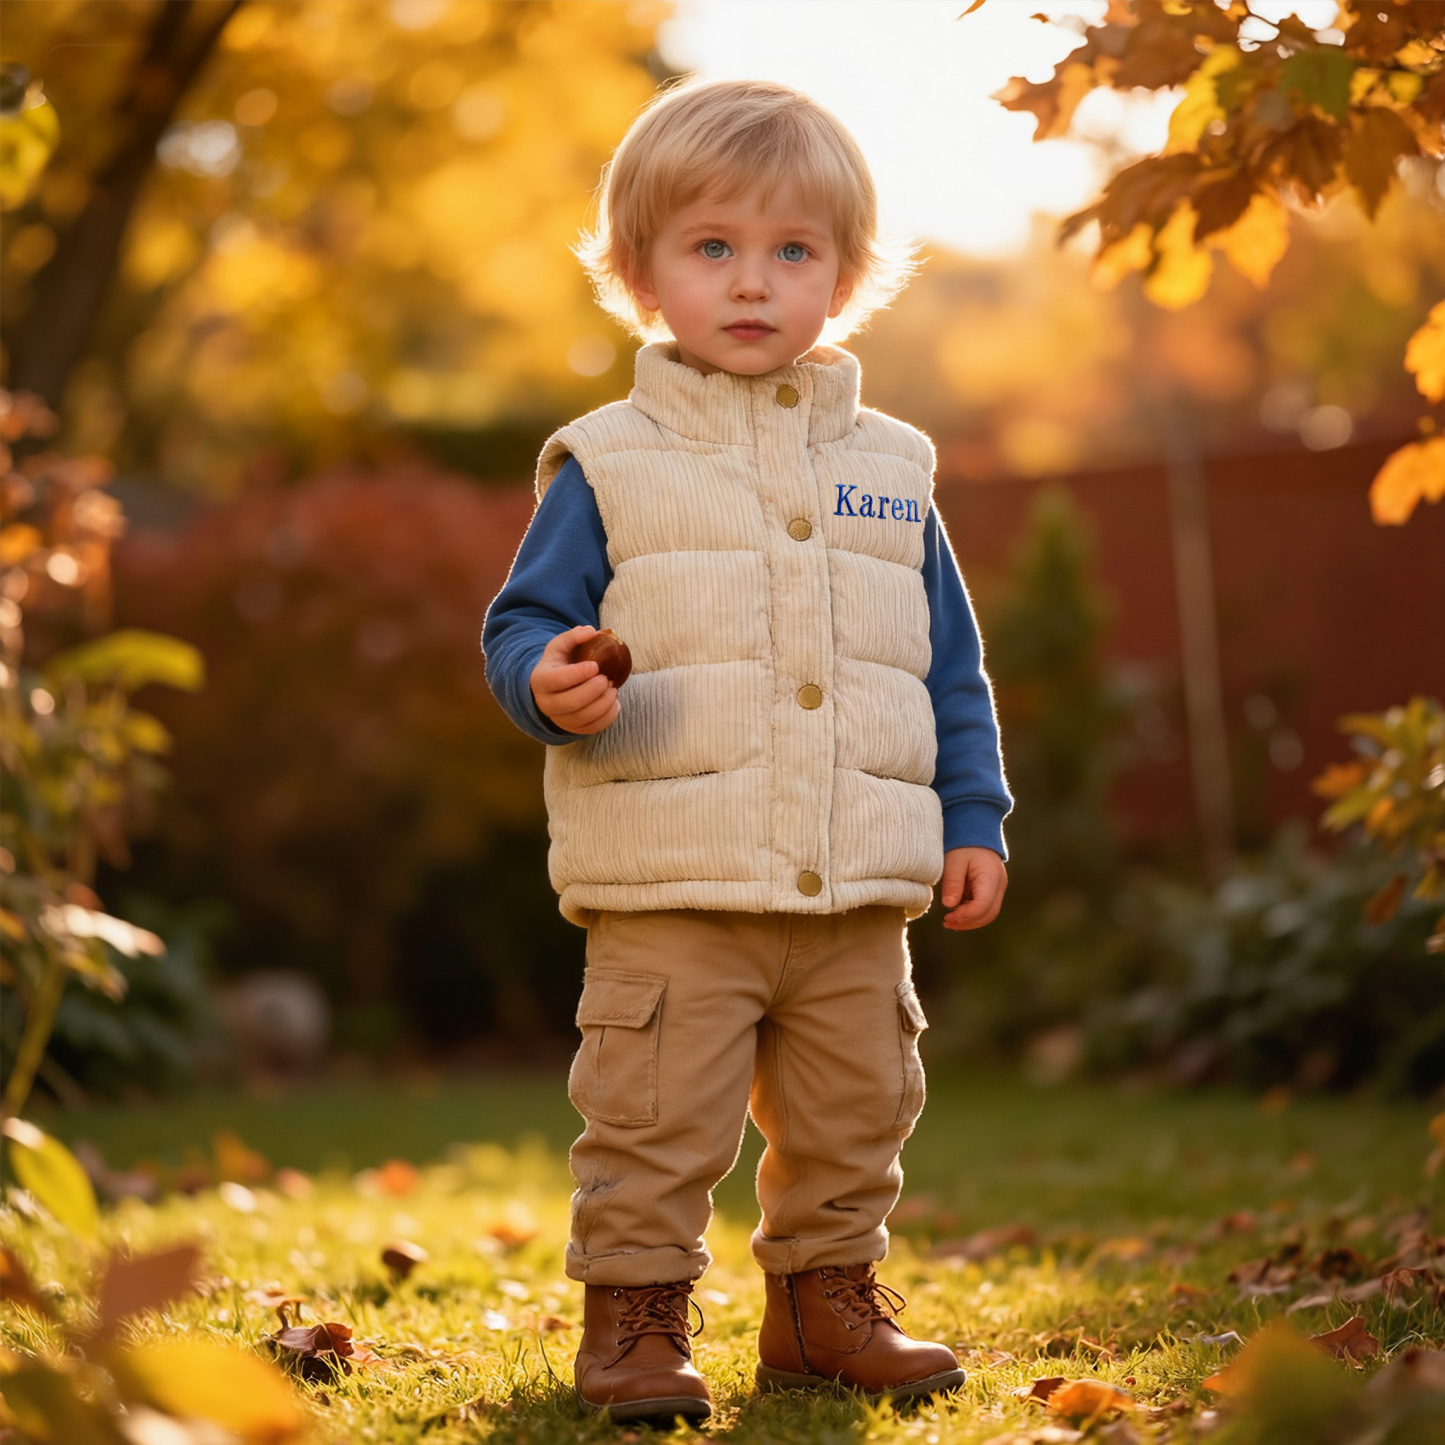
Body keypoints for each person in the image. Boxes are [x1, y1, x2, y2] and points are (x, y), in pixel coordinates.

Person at [483, 78, 1011, 1425]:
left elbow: (945, 665)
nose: (753, 281)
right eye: (711, 246)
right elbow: (524, 623)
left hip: (854, 888)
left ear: (845, 274)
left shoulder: (893, 470)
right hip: (672, 883)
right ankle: (635, 1320)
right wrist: (548, 678)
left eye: (793, 250)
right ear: (640, 272)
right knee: (654, 1117)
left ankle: (825, 1307)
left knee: (855, 1110)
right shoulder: (608, 461)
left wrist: (973, 817)